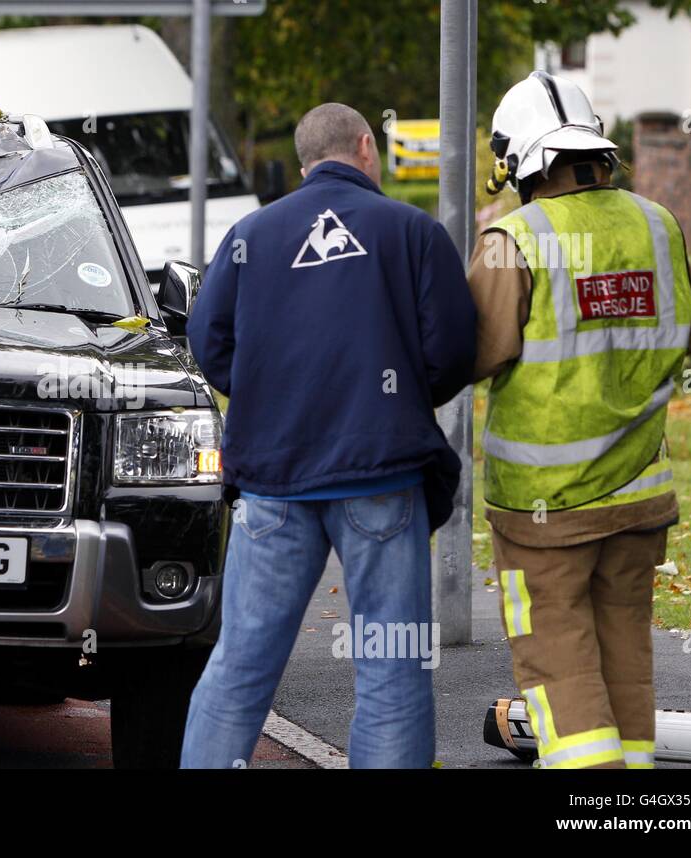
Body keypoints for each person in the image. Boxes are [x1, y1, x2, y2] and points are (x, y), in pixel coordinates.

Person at [182, 102, 477, 768]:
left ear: (306, 160)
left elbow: (207, 339)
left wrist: (271, 393)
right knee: (392, 674)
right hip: (382, 475)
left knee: (239, 670)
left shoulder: (250, 234)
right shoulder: (413, 232)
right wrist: (399, 397)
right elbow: (455, 349)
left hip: (272, 482)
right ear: (366, 146)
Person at [470, 72, 691, 769]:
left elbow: (471, 353)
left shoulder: (511, 238)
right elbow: (690, 335)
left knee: (561, 669)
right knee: (626, 663)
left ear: (519, 165)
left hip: (546, 513)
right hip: (639, 495)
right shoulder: (658, 223)